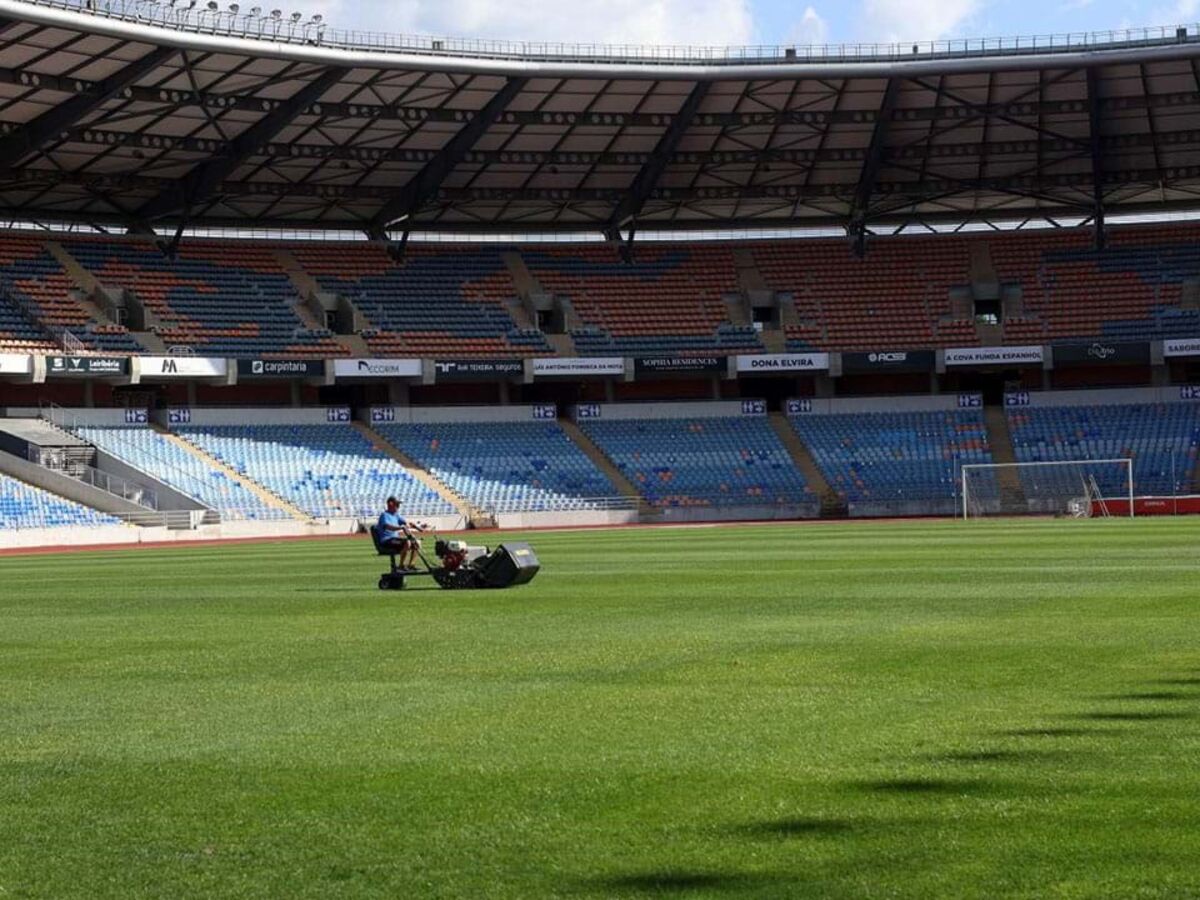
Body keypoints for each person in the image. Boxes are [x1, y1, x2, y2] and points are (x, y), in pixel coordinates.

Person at [377, 496, 426, 570]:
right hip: (387, 540)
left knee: (417, 542)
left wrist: (417, 527)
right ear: (390, 504)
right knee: (407, 542)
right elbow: (388, 526)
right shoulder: (384, 515)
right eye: (397, 504)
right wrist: (400, 527)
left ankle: (411, 565)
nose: (398, 507)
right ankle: (401, 566)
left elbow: (406, 524)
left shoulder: (396, 515)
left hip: (395, 539)